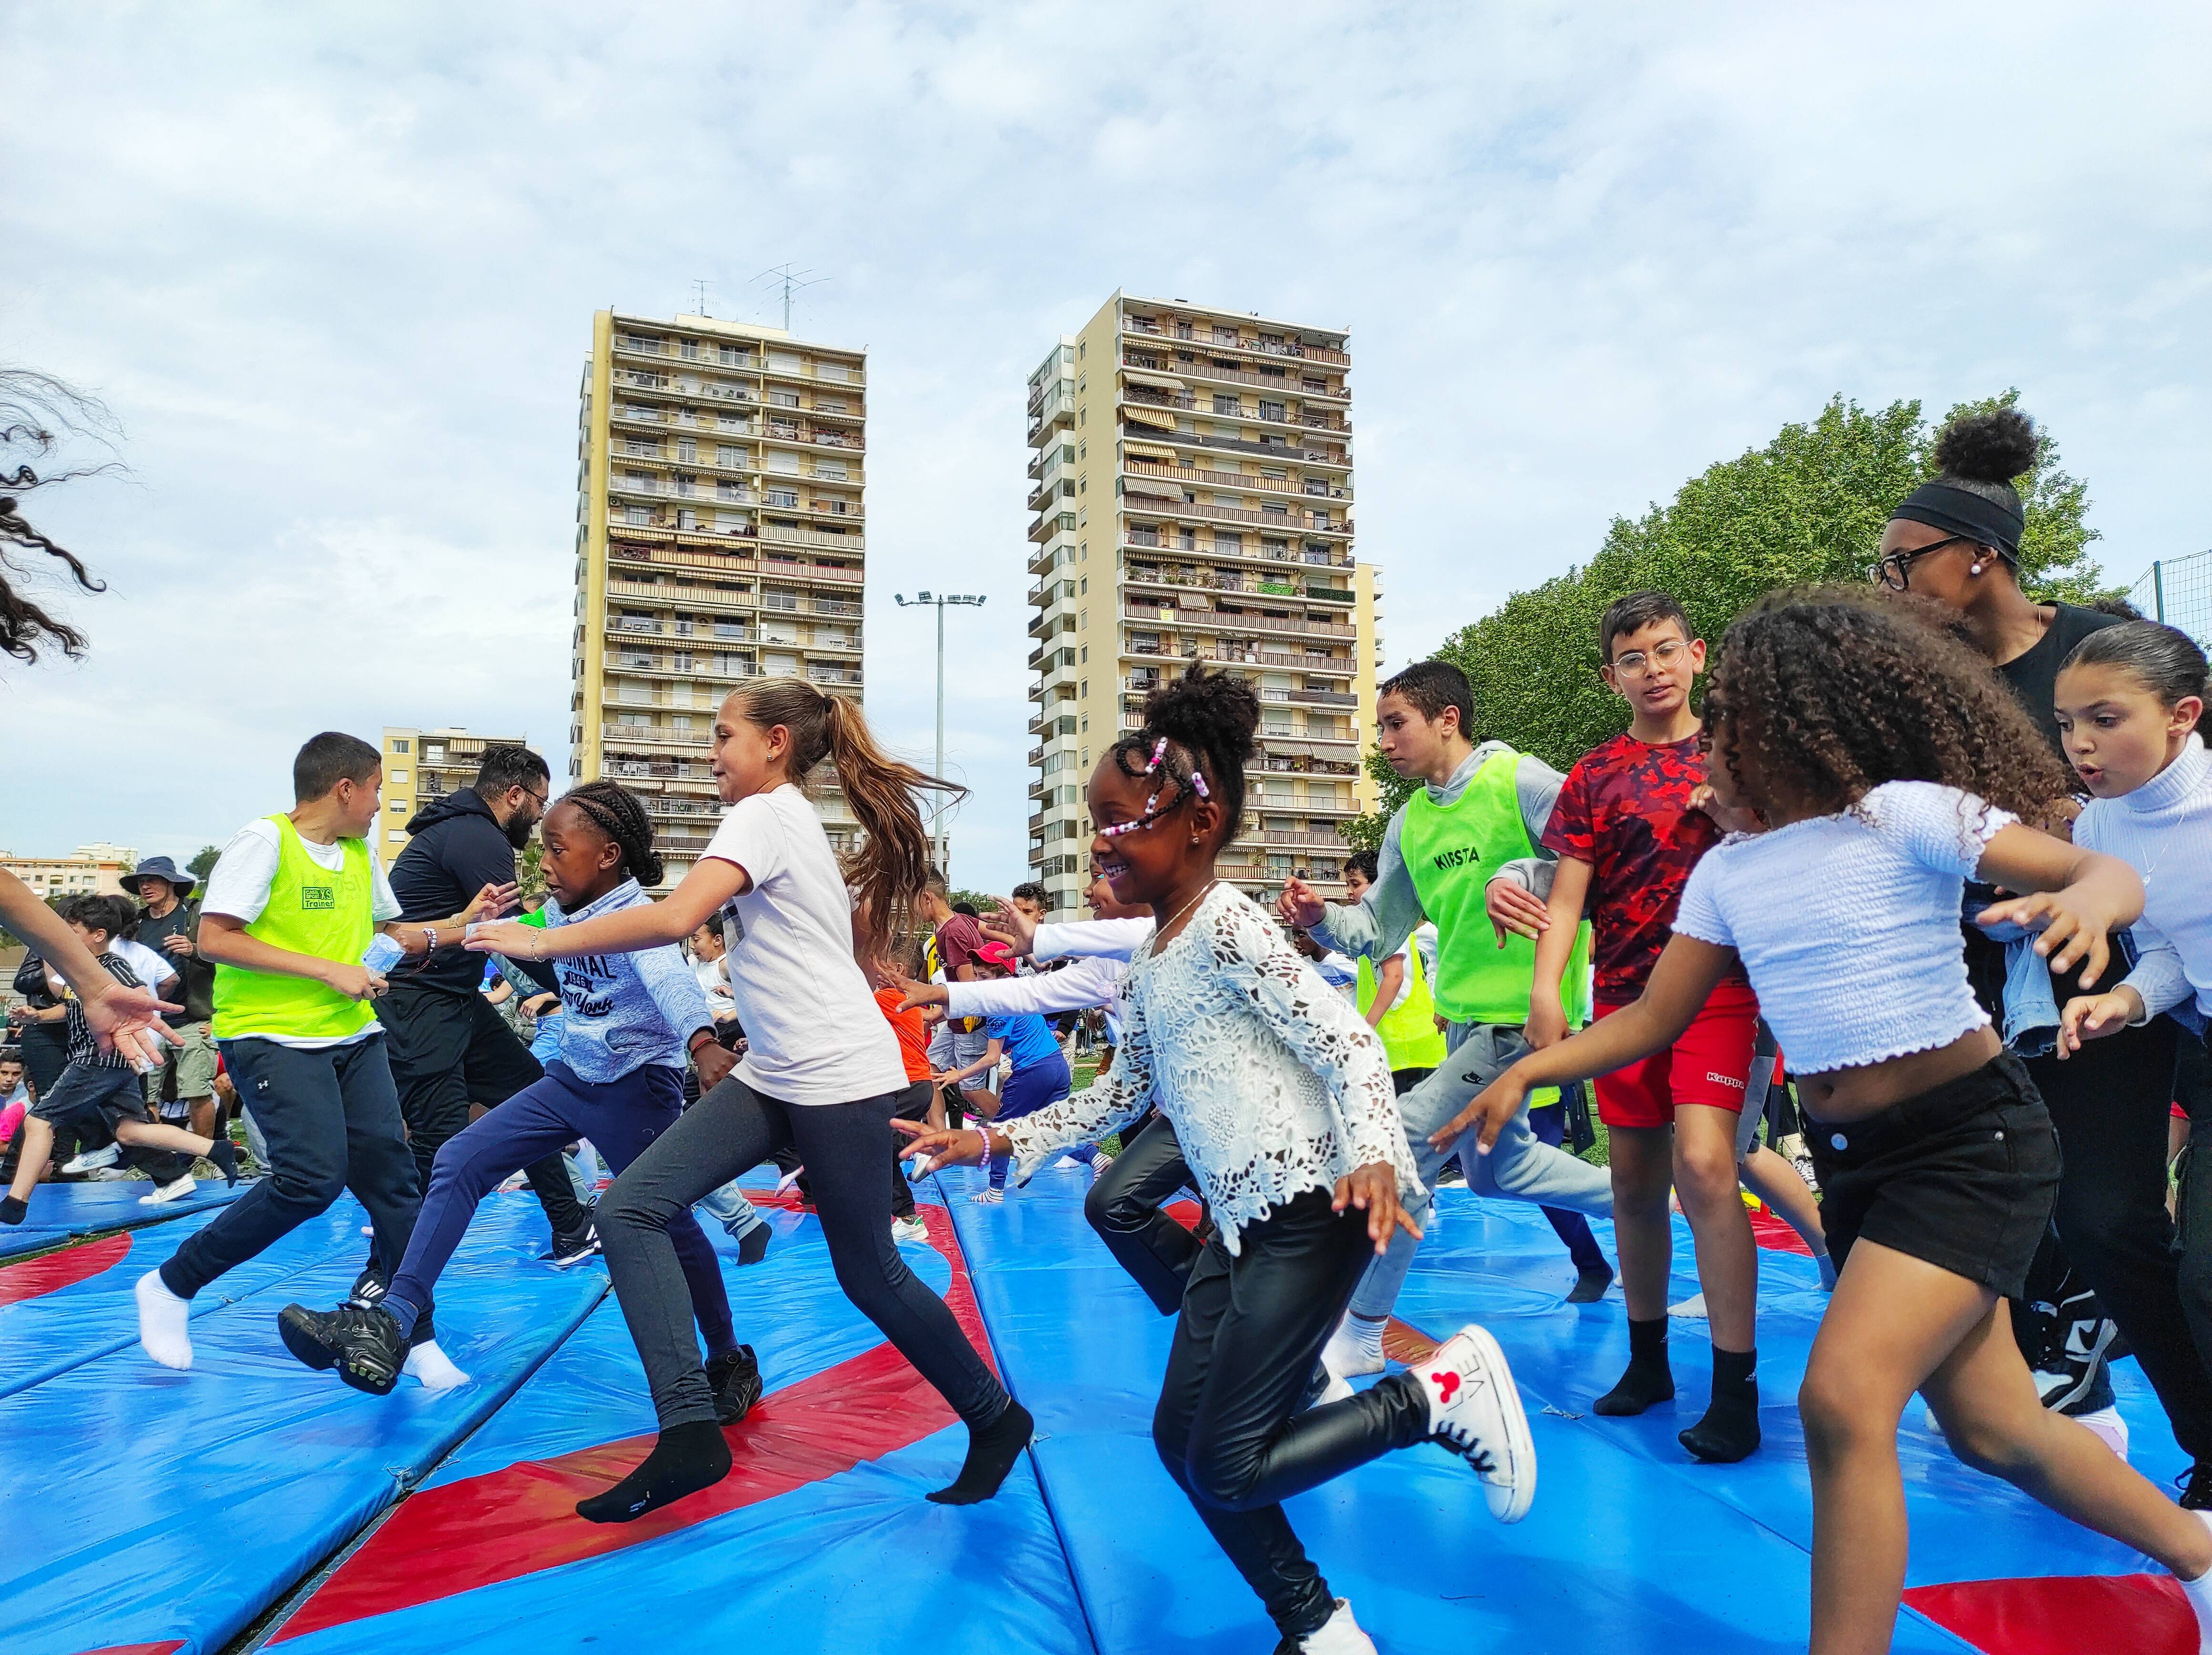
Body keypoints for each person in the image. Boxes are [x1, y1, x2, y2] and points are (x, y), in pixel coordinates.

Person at [1438, 592, 2212, 1655]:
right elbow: (1652, 1018)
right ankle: (2201, 1555)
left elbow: (2100, 867)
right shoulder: (1725, 873)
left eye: (1724, 731)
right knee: (1995, 1429)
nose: (1702, 759)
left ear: (1795, 733)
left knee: (1843, 1401)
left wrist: (2089, 902)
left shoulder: (1903, 814)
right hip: (1859, 1165)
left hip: (1969, 1145)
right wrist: (1527, 1070)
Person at [898, 669, 1531, 1655]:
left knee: (1228, 1462)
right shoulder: (1153, 957)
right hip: (1240, 1226)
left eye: (1119, 820)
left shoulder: (1231, 922)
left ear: (1199, 823)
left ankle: (1434, 1395)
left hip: (1312, 1209)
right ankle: (1317, 1626)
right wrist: (990, 1138)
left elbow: (1349, 1043)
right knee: (1180, 1441)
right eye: (1095, 824)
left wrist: (1374, 1154)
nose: (1101, 843)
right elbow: (1119, 1096)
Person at [464, 679, 1027, 1524]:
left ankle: (996, 1417)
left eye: (723, 735)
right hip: (777, 1070)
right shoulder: (783, 819)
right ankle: (690, 1433)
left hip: (832, 1074)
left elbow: (674, 919)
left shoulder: (764, 814)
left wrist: (540, 940)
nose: (711, 754)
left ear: (774, 743)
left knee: (869, 1274)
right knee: (631, 1209)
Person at [1876, 406, 2212, 1498]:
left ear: (1978, 554)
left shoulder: (2098, 651)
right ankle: (2130, 1403)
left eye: (1904, 561)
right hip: (1993, 977)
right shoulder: (1924, 689)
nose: (1890, 583)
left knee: (2119, 1222)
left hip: (2120, 968)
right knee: (2040, 1211)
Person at [276, 781, 760, 1417]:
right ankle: (393, 1319)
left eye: (558, 850)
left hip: (636, 1089)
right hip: (571, 1081)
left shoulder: (636, 918)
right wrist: (423, 940)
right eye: (543, 850)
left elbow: (672, 983)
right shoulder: (557, 914)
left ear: (608, 855)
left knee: (667, 1221)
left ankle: (726, 1354)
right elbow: (494, 934)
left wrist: (702, 1043)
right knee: (459, 1160)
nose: (544, 865)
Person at [1277, 660, 1615, 1393]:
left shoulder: (1521, 781)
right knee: (1500, 1173)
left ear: (1447, 720)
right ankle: (1654, 1194)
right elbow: (1376, 930)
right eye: (1381, 729)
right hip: (1464, 1023)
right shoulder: (1410, 822)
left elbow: (1603, 860)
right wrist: (1321, 919)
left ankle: (1361, 1333)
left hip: (1522, 1019)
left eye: (1395, 725)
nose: (1384, 743)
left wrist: (1521, 879)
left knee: (1406, 1143)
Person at [133, 732, 508, 1374]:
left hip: (353, 1036)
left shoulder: (360, 854)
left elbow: (393, 935)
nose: (379, 804)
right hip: (272, 1035)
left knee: (397, 1188)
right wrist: (328, 970)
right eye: (376, 790)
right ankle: (172, 1284)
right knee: (310, 1181)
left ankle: (411, 1336)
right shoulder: (266, 841)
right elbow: (216, 938)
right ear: (344, 788)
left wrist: (466, 924)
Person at [1511, 589, 1768, 1460]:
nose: (1652, 669)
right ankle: (1648, 1357)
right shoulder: (1594, 775)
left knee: (1706, 1164)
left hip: (1720, 989)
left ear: (1697, 654)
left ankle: (1735, 1386)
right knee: (1631, 1182)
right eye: (1633, 658)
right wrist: (1548, 990)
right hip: (1624, 995)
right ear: (1609, 676)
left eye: (1665, 650)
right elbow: (1568, 894)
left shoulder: (1741, 754)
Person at [2047, 622, 2212, 1382]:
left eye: (2105, 719)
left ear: (2182, 715)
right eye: (2066, 723)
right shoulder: (2101, 824)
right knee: (2199, 1284)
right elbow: (2173, 950)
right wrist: (2127, 999)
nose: (2080, 744)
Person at [377, 744, 595, 1269]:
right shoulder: (479, 836)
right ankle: (385, 1275)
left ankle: (570, 1225)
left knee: (531, 1100)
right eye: (540, 802)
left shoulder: (459, 829)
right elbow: (512, 935)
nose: (541, 816)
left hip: (454, 999)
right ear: (515, 795)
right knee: (439, 1140)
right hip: (420, 1006)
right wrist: (581, 991)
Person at [1, 896, 241, 1223]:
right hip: (111, 1061)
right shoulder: (83, 971)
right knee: (130, 1131)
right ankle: (214, 1149)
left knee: (38, 1120)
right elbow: (76, 1007)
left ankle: (16, 1202)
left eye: (72, 931)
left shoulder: (113, 966)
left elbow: (138, 994)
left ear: (98, 935)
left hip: (101, 1058)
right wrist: (38, 1016)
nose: (65, 938)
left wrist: (144, 1011)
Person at [123, 856, 221, 1140]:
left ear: (171, 884)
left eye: (153, 881)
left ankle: (205, 1154)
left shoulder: (196, 914)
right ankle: (158, 1158)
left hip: (193, 1019)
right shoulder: (135, 923)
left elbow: (229, 959)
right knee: (145, 1095)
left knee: (197, 1091)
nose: (145, 887)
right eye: (141, 882)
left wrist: (194, 950)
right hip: (149, 1021)